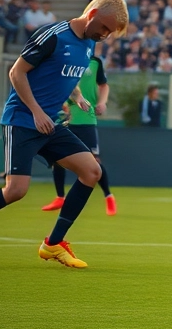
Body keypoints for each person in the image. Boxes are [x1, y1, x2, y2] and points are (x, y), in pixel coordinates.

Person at [0, 0, 128, 269]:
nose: (105, 35)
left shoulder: (89, 43)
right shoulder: (52, 35)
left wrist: (75, 97)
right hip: (23, 120)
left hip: (50, 122)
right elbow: (17, 72)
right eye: (104, 28)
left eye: (110, 32)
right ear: (92, 13)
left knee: (92, 171)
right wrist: (37, 111)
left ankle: (53, 244)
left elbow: (65, 74)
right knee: (16, 190)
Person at [39, 55, 116, 216]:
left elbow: (104, 85)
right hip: (65, 118)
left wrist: (102, 102)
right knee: (57, 159)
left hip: (86, 118)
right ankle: (60, 197)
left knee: (94, 161)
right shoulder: (64, 60)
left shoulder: (95, 62)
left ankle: (108, 196)